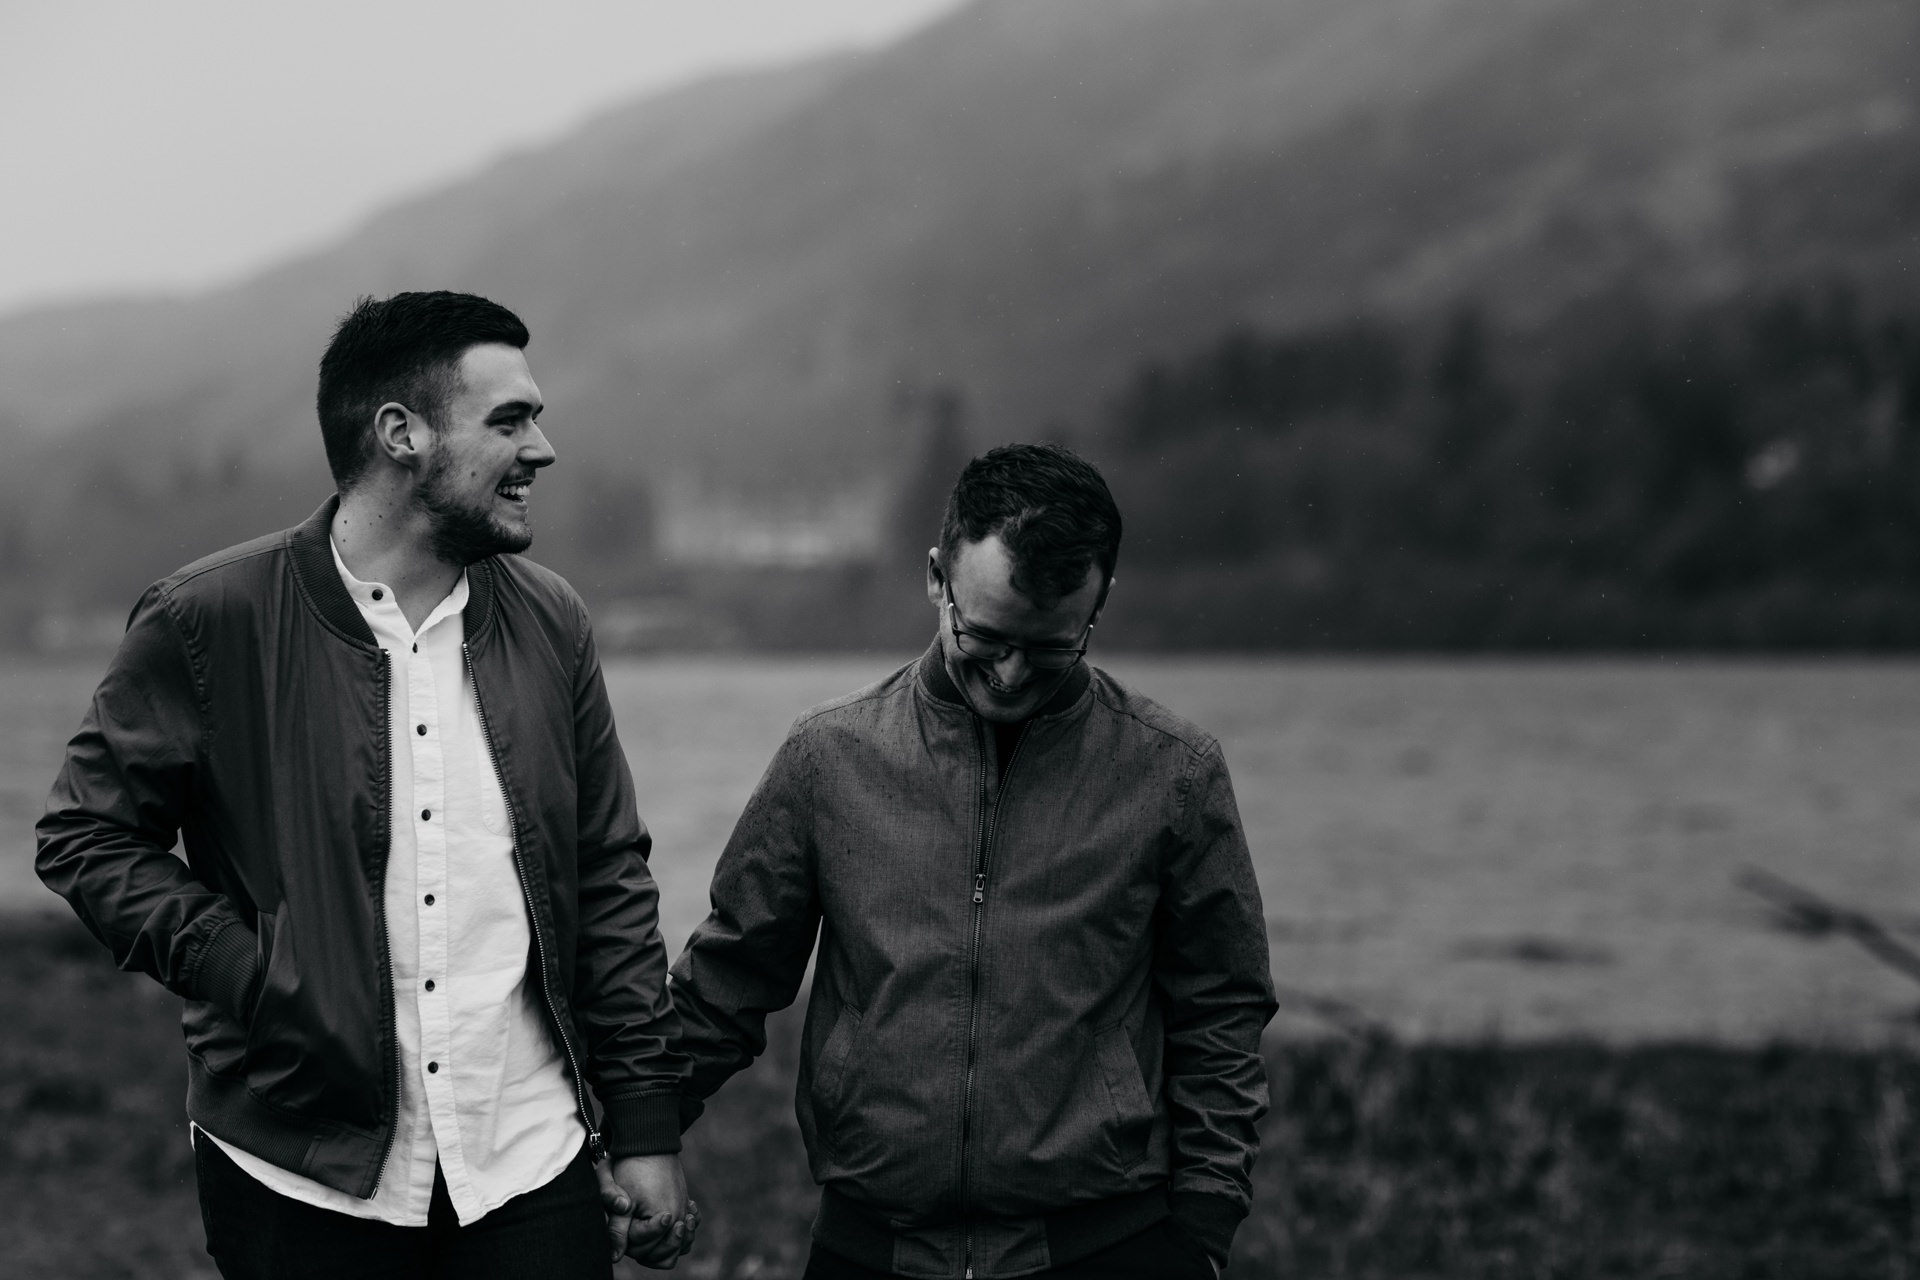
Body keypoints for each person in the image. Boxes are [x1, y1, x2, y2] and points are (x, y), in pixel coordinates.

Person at [38, 291, 694, 1278]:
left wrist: (644, 1123)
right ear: (401, 434)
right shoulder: (210, 618)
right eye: (509, 420)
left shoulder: (553, 620)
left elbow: (607, 872)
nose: (542, 448)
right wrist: (250, 971)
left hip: (527, 1164)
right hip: (295, 1169)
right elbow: (86, 836)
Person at [670, 443, 1277, 1278]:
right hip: (870, 1250)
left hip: (1110, 1248)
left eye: (1051, 646)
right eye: (985, 636)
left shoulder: (1174, 772)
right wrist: (638, 1134)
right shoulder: (827, 758)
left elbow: (1221, 1011)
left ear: (1098, 603)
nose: (1012, 673)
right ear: (936, 577)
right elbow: (728, 980)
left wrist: (1205, 1224)